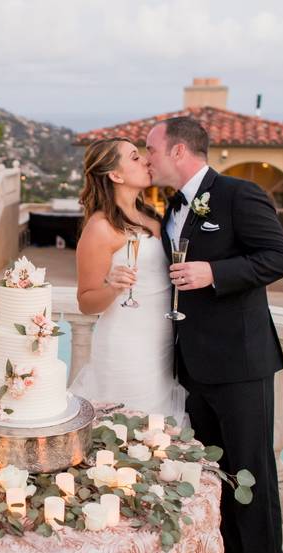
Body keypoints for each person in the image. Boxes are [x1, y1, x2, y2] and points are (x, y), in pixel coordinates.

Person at [145, 116, 283, 553]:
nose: (147, 159)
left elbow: (279, 256)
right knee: (219, 472)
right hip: (195, 364)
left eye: (152, 150)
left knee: (254, 472)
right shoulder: (169, 207)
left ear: (179, 149)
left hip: (242, 363)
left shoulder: (237, 194)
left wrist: (215, 273)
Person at [69, 137, 185, 422]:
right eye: (134, 157)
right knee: (130, 428)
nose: (145, 160)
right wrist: (112, 288)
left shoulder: (153, 217)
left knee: (160, 430)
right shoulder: (100, 228)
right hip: (126, 346)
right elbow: (86, 302)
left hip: (162, 340)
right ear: (115, 174)